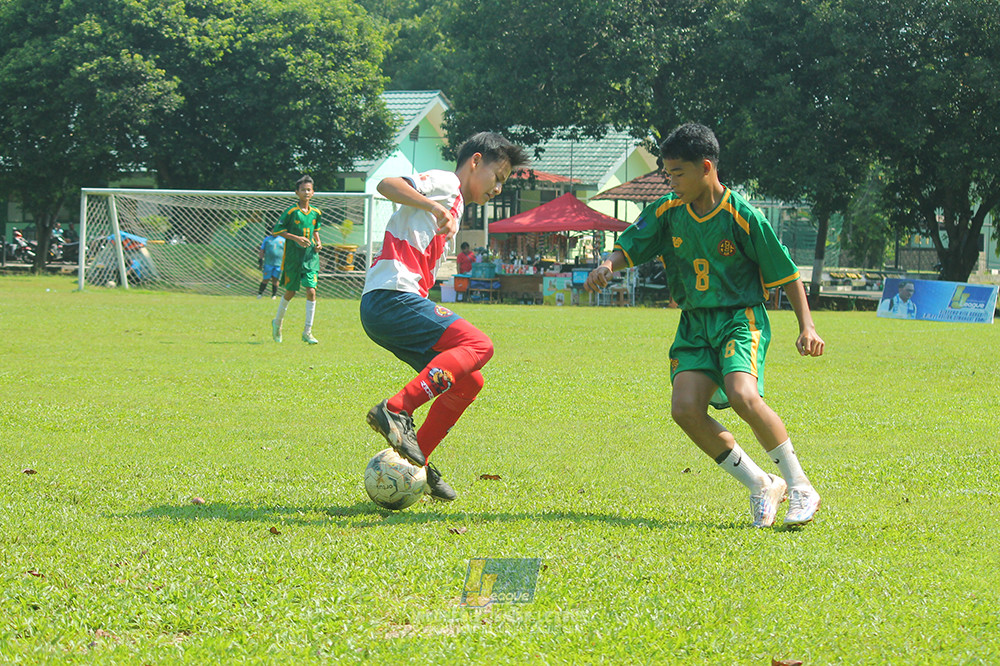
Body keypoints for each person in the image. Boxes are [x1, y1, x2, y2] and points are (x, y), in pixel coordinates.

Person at [585, 123, 825, 528]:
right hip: (694, 324)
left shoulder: (742, 215)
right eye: (667, 173)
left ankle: (800, 485)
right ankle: (760, 483)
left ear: (706, 167)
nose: (671, 181)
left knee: (742, 395)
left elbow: (786, 273)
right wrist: (609, 263)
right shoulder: (667, 211)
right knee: (684, 409)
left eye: (678, 173)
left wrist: (808, 326)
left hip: (738, 318)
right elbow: (632, 243)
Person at [360, 132, 529, 501]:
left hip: (390, 305)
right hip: (391, 297)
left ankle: (416, 462)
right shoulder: (445, 182)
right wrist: (435, 208)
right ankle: (395, 409)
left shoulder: (456, 205)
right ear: (475, 161)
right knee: (479, 344)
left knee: (470, 382)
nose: (498, 189)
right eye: (497, 178)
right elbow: (386, 184)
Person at [271, 176, 322, 344]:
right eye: (303, 189)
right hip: (293, 258)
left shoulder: (316, 213)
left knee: (311, 290)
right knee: (290, 292)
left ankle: (308, 331)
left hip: (310, 258)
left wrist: (318, 242)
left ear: (313, 192)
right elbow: (277, 231)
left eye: (309, 189)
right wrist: (296, 238)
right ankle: (277, 323)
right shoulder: (291, 212)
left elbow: (315, 230)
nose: (306, 192)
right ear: (297, 192)